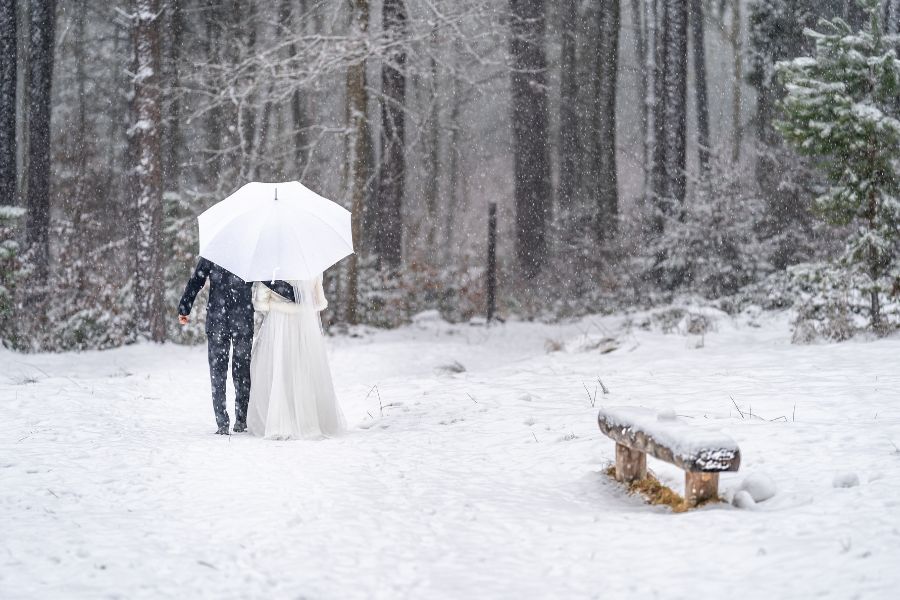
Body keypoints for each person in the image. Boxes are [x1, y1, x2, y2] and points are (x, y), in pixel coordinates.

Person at [247, 275, 345, 439]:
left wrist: (274, 303)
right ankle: (307, 419)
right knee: (303, 367)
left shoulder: (272, 269)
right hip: (304, 323)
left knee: (279, 368)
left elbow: (261, 303)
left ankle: (279, 420)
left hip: (278, 323)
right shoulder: (311, 266)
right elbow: (319, 302)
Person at [178, 257, 254, 435]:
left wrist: (184, 307)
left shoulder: (215, 252)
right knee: (241, 371)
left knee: (218, 372)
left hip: (218, 320)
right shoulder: (249, 254)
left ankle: (223, 422)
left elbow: (197, 280)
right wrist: (294, 294)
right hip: (241, 320)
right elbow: (269, 281)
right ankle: (240, 420)